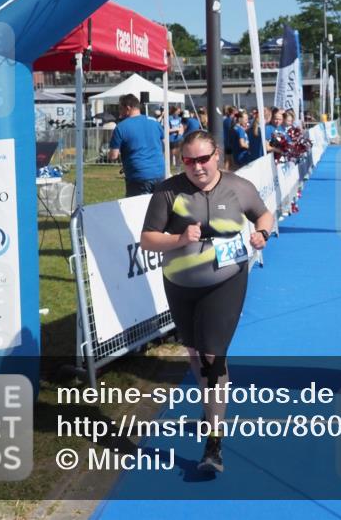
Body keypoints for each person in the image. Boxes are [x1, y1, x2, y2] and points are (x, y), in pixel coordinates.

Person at [140, 131, 273, 473]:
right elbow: (147, 240)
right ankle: (211, 405)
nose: (197, 167)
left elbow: (264, 214)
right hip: (180, 284)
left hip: (226, 280)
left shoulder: (238, 186)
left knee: (213, 357)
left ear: (217, 155)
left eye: (203, 159)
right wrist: (179, 238)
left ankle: (213, 447)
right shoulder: (168, 191)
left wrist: (262, 233)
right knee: (197, 356)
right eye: (189, 160)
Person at [108, 94, 165, 196]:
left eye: (120, 108)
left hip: (138, 175)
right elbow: (164, 143)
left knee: (137, 210)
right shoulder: (154, 122)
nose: (119, 112)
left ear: (128, 108)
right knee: (158, 208)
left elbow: (113, 155)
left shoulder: (121, 127)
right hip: (159, 172)